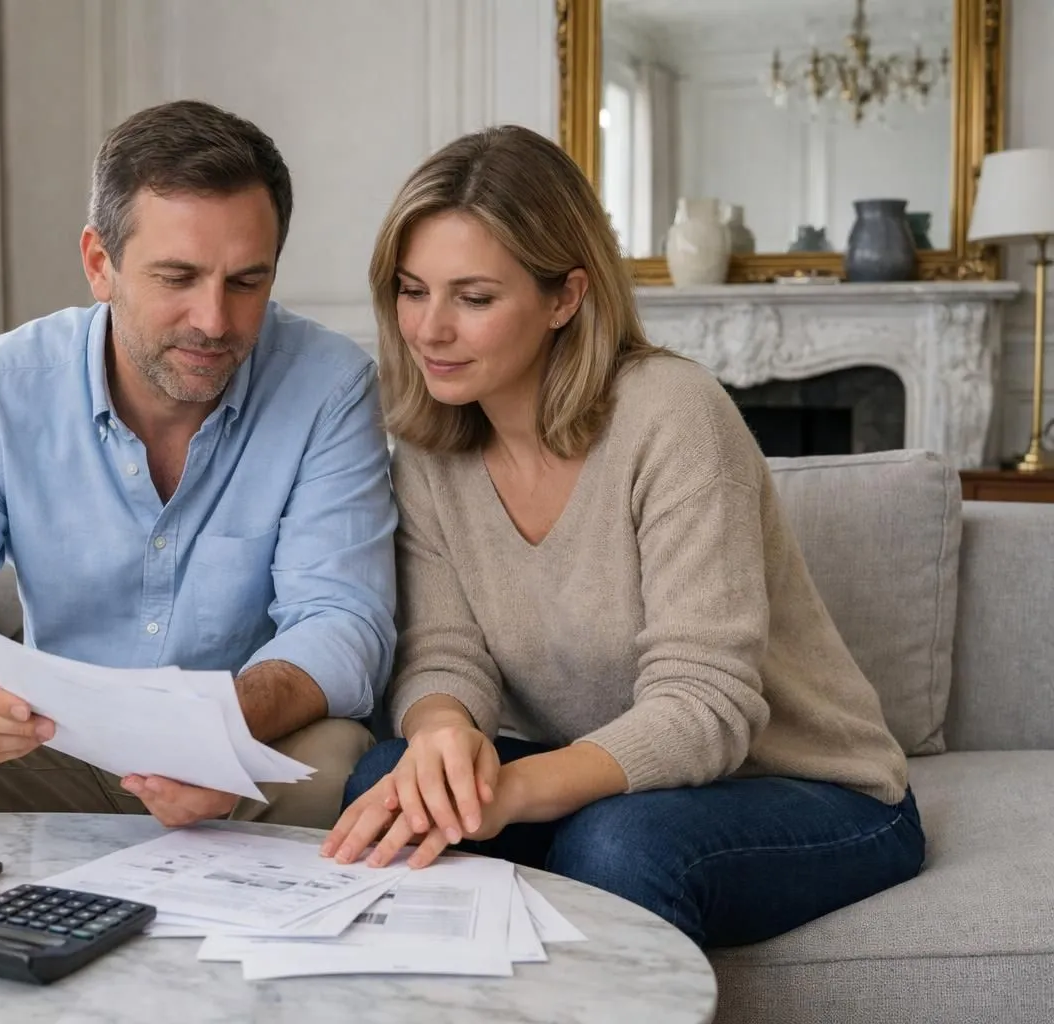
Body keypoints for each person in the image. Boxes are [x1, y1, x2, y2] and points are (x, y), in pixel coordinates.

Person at [323, 125, 924, 948]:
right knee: (388, 778)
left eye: (474, 298)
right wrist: (443, 738)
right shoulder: (430, 447)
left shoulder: (673, 415)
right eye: (412, 290)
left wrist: (513, 792)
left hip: (808, 789)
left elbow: (704, 705)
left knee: (617, 845)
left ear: (564, 298)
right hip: (608, 781)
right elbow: (443, 655)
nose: (429, 330)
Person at [0, 100, 397, 831]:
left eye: (246, 282)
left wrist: (214, 732)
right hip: (47, 747)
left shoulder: (329, 386)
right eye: (177, 277)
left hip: (237, 746)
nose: (214, 320)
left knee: (337, 761)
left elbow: (342, 622)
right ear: (100, 265)